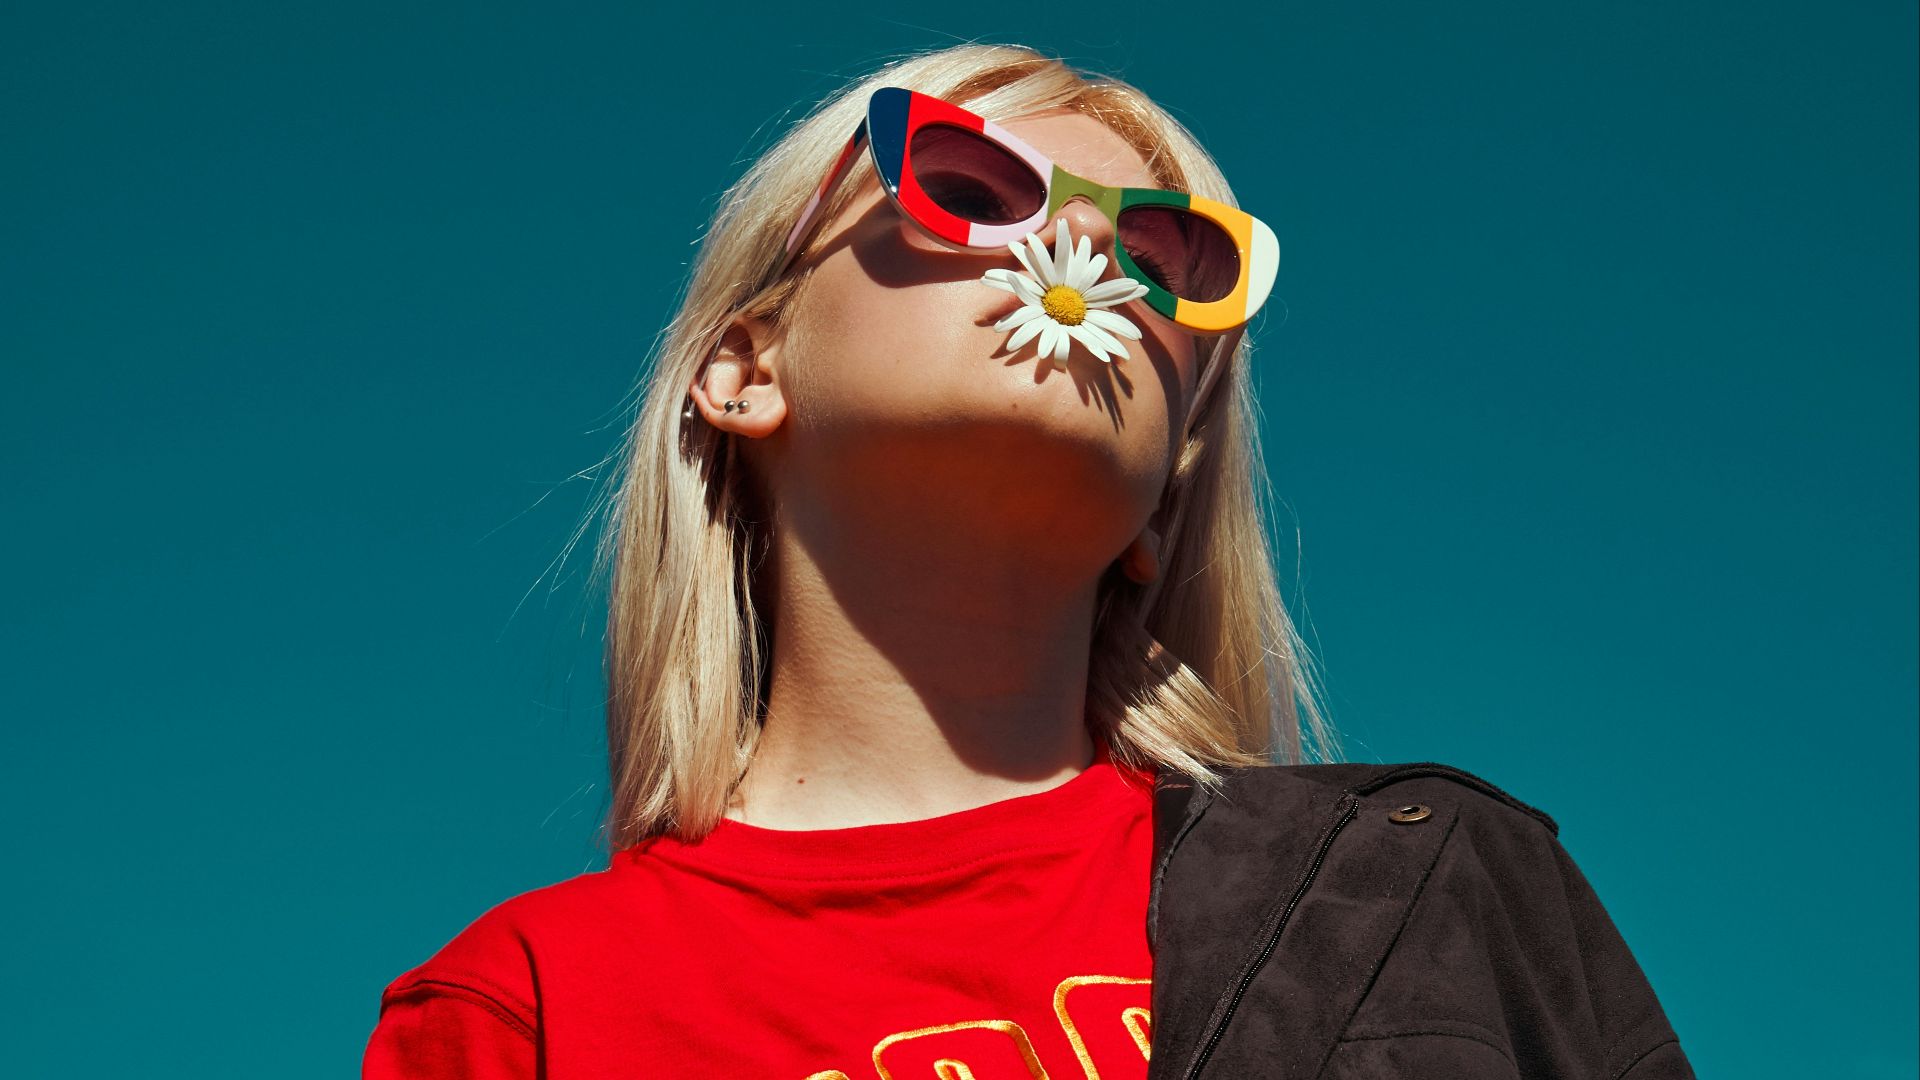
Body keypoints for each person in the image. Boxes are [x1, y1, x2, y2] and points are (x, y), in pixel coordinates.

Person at [362, 44, 1695, 1079]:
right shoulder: (525, 1006)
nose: (1082, 262)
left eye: (1169, 256)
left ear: (1177, 467)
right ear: (746, 367)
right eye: (969, 185)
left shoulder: (1416, 892)